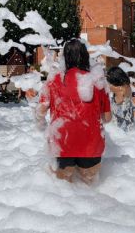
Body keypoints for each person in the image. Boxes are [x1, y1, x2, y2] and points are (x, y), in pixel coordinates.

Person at [37, 39, 112, 184]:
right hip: (91, 145)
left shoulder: (53, 80)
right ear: (85, 56)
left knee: (64, 193)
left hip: (62, 143)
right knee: (90, 189)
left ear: (64, 58)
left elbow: (40, 111)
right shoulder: (98, 81)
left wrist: (41, 124)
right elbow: (107, 118)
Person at [107, 67, 135, 131]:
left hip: (121, 130)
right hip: (127, 128)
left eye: (110, 82)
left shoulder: (121, 90)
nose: (108, 84)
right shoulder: (126, 86)